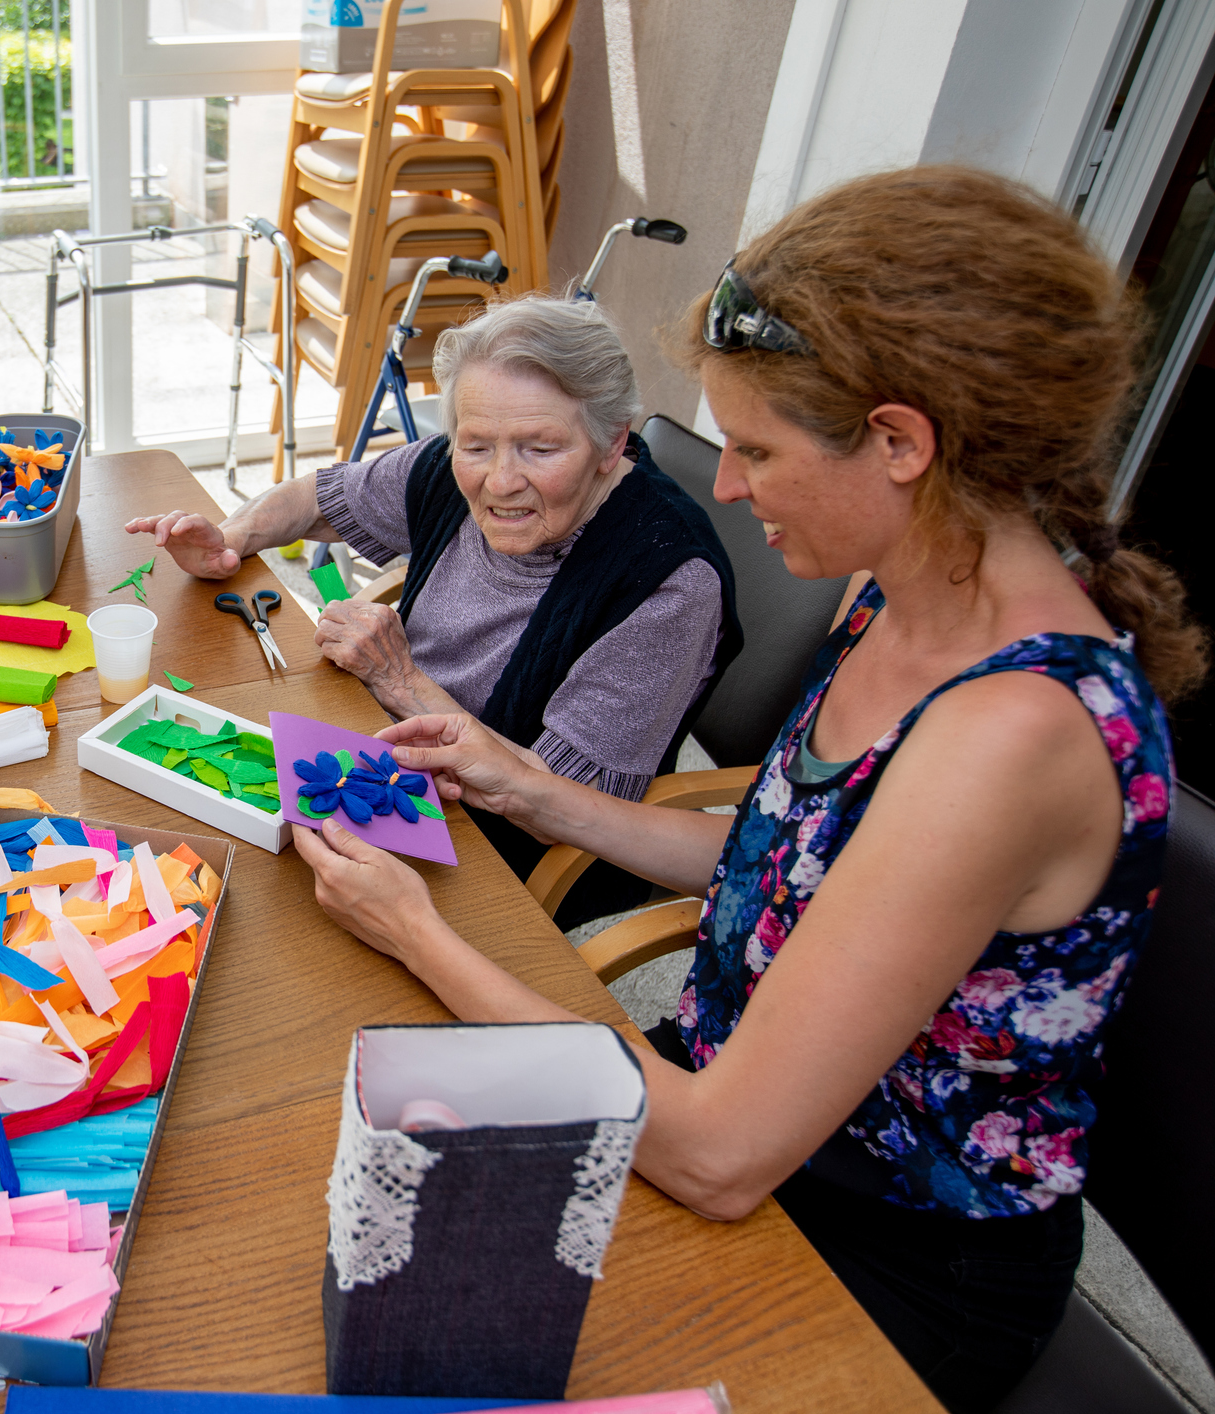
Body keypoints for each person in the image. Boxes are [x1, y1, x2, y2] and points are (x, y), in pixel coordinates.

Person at [289, 167, 1206, 1413]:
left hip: (873, 1246)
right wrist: (524, 783)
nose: (724, 485)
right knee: (326, 1211)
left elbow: (719, 1156)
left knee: (417, 1342)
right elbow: (783, 867)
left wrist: (419, 931)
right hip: (726, 1101)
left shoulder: (1012, 730)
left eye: (758, 449)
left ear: (899, 442)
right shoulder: (898, 585)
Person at [127, 295, 742, 922]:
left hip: (502, 844)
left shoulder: (667, 584)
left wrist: (399, 681)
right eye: (476, 445)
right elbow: (317, 498)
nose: (500, 481)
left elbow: (559, 809)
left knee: (261, 917)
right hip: (386, 753)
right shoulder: (449, 466)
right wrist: (231, 540)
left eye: (540, 449)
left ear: (611, 445)